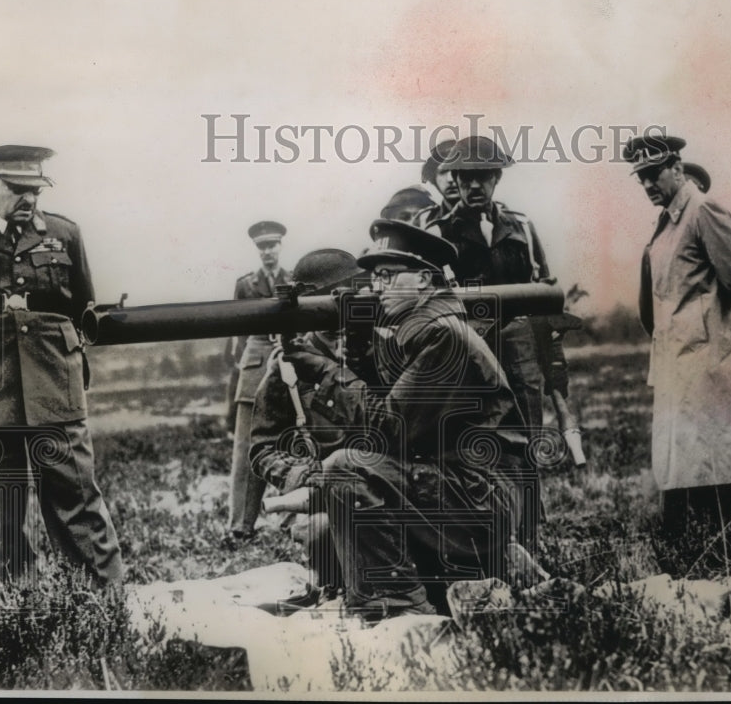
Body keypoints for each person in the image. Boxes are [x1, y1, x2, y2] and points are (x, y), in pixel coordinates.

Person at [282, 220, 535, 621]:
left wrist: (329, 373)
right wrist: (361, 354)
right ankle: (426, 587)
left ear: (423, 279)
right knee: (334, 514)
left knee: (346, 470)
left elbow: (389, 430)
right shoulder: (425, 330)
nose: (376, 287)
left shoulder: (442, 336)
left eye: (386, 276)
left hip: (480, 501)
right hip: (465, 491)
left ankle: (397, 607)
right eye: (374, 277)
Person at [0, 144, 122, 585]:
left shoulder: (65, 234)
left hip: (53, 389)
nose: (30, 200)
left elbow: (83, 310)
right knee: (0, 518)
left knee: (76, 502)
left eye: (36, 190)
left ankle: (105, 605)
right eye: (18, 190)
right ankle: (27, 611)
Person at [625, 132, 731, 542]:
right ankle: (686, 551)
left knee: (714, 458)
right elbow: (654, 299)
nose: (647, 185)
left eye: (654, 174)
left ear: (677, 168)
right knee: (685, 458)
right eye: (640, 177)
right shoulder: (667, 223)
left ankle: (727, 550)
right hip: (678, 357)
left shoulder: (702, 210)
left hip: (708, 357)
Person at [415, 135, 555, 441]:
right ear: (455, 178)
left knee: (528, 442)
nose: (474, 186)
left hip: (521, 356)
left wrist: (552, 363)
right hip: (470, 357)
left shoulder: (521, 228)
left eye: (482, 177)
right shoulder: (437, 236)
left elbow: (542, 295)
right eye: (466, 177)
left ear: (497, 178)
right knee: (478, 448)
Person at [247, 248, 366, 600]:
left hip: (378, 484)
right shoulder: (289, 364)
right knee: (321, 532)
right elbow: (263, 447)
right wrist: (301, 476)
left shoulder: (378, 349)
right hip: (323, 493)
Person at [226, 220, 291, 540]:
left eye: (272, 245)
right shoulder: (245, 285)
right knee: (245, 449)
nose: (267, 252)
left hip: (288, 362)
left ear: (281, 246)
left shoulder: (295, 280)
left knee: (296, 441)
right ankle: (241, 525)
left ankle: (294, 518)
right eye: (262, 247)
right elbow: (236, 341)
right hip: (253, 368)